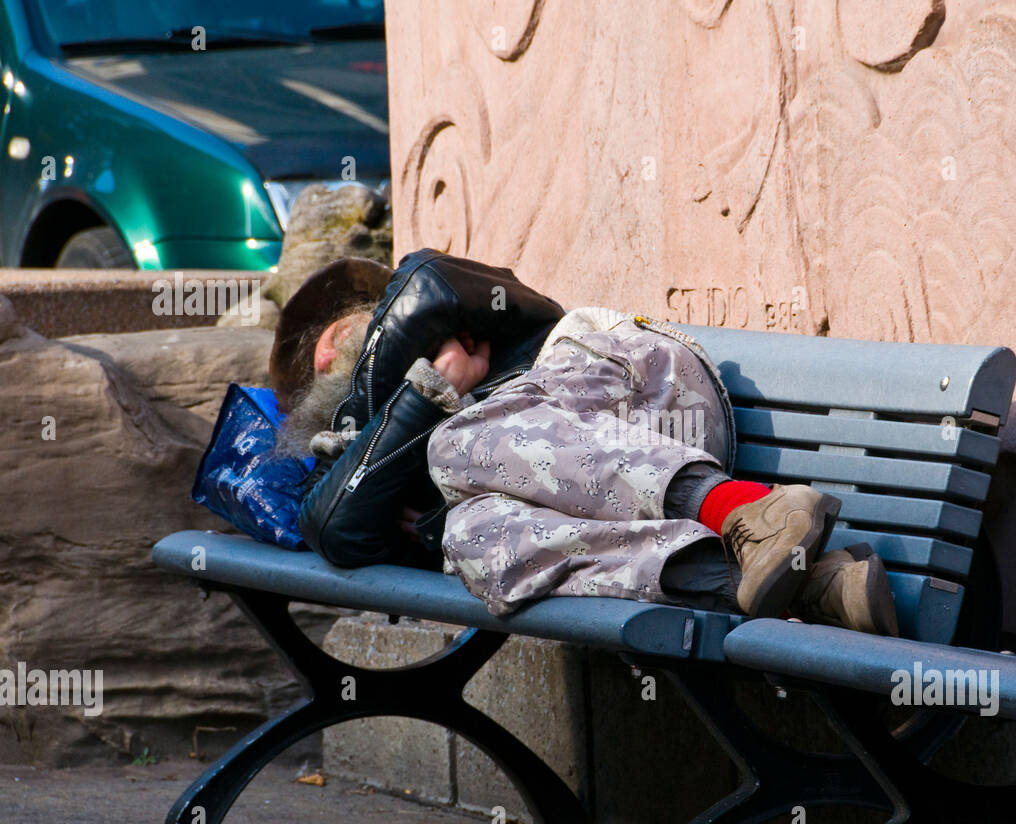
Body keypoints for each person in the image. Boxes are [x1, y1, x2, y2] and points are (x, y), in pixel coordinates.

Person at [270, 250, 899, 635]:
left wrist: (432, 385)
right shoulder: (388, 437)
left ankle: (741, 508)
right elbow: (340, 530)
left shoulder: (422, 307)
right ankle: (808, 586)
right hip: (629, 481)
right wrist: (432, 509)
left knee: (457, 442)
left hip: (647, 387)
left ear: (331, 347)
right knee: (475, 536)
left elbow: (333, 523)